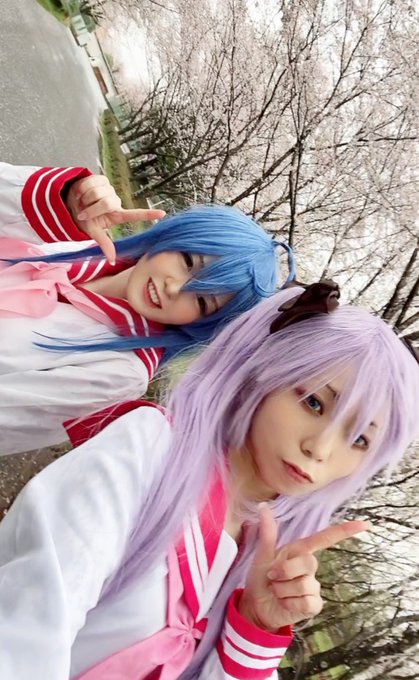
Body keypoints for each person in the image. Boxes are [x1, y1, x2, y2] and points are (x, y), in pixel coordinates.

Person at [0, 281, 418, 680]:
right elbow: (29, 618)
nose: (320, 448)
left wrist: (254, 626)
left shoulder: (266, 558)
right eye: (313, 402)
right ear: (266, 369)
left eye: (359, 439)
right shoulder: (149, 451)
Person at [0, 161, 294, 455]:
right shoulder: (81, 245)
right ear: (175, 235)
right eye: (188, 262)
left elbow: (9, 422)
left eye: (203, 301)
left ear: (204, 323)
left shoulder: (121, 371)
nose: (175, 289)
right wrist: (64, 199)